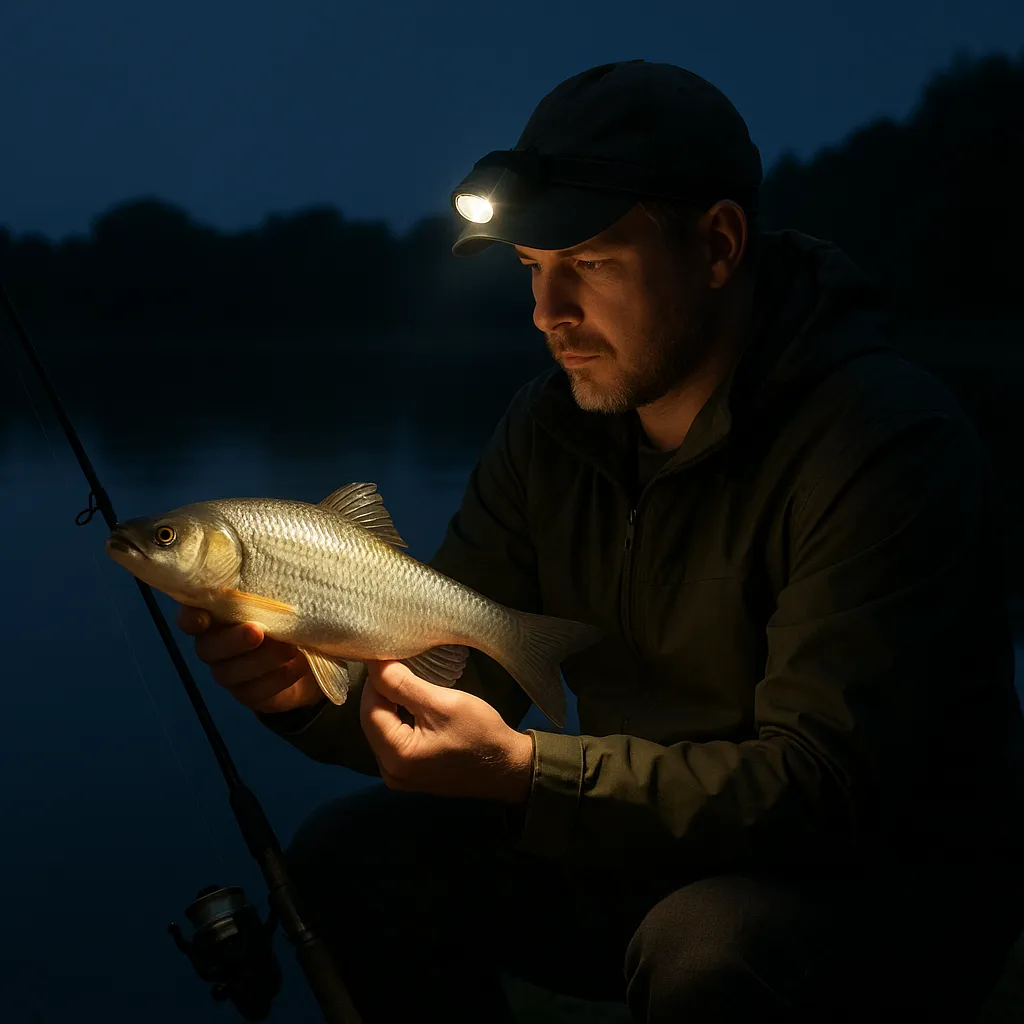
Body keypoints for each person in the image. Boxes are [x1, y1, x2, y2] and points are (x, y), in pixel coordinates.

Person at [177, 61, 1024, 1021]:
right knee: (350, 857)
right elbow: (452, 681)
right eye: (533, 269)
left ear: (717, 245)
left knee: (707, 947)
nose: (548, 315)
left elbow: (824, 788)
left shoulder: (882, 441)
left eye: (589, 264)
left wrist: (535, 774)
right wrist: (310, 696)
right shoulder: (551, 431)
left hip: (873, 887)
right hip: (640, 845)